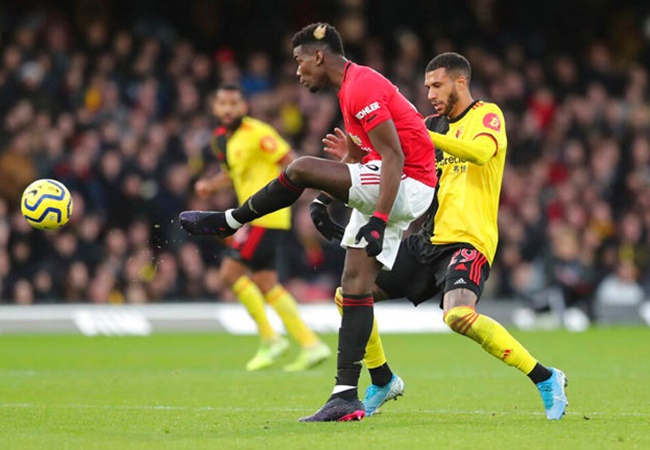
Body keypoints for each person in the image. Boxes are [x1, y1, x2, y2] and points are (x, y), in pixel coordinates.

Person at [179, 23, 438, 422]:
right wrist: (325, 198)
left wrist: (379, 219)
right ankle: (348, 394)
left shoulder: (362, 87)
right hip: (395, 180)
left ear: (319, 55)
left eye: (299, 61)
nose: (297, 71)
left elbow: (394, 157)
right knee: (353, 287)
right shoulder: (350, 89)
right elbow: (365, 158)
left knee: (300, 168)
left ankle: (231, 220)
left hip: (407, 181)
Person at [316, 52, 569, 420]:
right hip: (428, 240)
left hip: (469, 240)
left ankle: (545, 377)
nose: (430, 94)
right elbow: (387, 161)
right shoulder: (430, 124)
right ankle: (382, 379)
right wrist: (352, 163)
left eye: (437, 85)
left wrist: (426, 135)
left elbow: (481, 152)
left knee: (458, 316)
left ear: (460, 82)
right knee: (349, 295)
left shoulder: (487, 115)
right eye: (427, 87)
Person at [194, 84, 331, 372]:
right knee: (266, 283)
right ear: (215, 108)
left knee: (229, 273)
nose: (228, 108)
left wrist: (287, 195)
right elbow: (231, 174)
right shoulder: (221, 140)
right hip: (256, 218)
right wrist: (210, 186)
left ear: (244, 106)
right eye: (223, 103)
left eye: (234, 103)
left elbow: (291, 163)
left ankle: (271, 339)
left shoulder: (258, 133)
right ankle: (311, 344)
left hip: (264, 216)